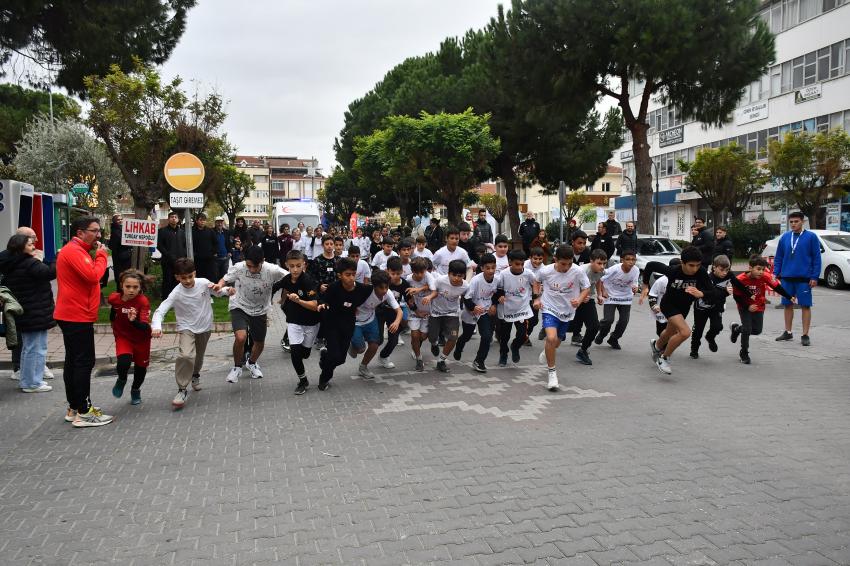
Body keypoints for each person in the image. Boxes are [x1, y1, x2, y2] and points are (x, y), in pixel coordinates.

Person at [55, 216, 112, 426]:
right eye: (94, 231)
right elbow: (93, 275)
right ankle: (84, 412)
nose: (99, 235)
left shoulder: (75, 250)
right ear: (80, 232)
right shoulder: (74, 251)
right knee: (83, 363)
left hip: (73, 314)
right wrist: (102, 256)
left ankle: (75, 407)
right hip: (76, 315)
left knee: (73, 362)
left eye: (99, 231)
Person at [154, 258, 230, 408]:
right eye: (183, 278)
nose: (188, 280)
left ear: (194, 273)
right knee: (186, 355)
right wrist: (156, 326)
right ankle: (182, 389)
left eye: (190, 276)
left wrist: (228, 291)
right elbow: (161, 310)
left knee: (198, 357)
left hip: (205, 326)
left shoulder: (202, 283)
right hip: (186, 328)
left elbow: (218, 292)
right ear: (177, 277)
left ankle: (195, 375)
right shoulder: (176, 293)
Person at [641, 246, 728, 375]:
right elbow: (650, 265)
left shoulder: (701, 272)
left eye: (698, 265)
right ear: (682, 263)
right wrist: (645, 285)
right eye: (691, 265)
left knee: (670, 331)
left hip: (684, 306)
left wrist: (701, 293)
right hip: (669, 304)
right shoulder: (672, 271)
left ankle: (657, 345)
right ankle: (664, 358)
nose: (694, 269)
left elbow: (713, 291)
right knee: (685, 332)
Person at [216, 245, 288, 384]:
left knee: (259, 343)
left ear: (263, 261)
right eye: (249, 266)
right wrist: (219, 285)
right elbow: (224, 279)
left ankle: (252, 363)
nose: (252, 270)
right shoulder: (239, 267)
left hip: (260, 309)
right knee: (241, 337)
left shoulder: (272, 269)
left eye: (256, 266)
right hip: (239, 305)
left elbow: (292, 276)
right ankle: (237, 367)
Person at [0, 233, 56, 393]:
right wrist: (56, 259)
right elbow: (50, 273)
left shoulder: (11, 262)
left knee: (29, 347)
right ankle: (33, 383)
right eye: (30, 244)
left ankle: (27, 380)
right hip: (34, 312)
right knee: (36, 348)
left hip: (25, 311)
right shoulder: (29, 263)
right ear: (20, 247)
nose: (34, 247)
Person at [535, 244, 591, 391]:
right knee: (551, 339)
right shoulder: (545, 271)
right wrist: (537, 298)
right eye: (563, 264)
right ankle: (552, 373)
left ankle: (547, 351)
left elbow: (586, 288)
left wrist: (579, 300)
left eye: (569, 263)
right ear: (555, 260)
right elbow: (536, 281)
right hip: (549, 308)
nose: (566, 267)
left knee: (556, 342)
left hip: (567, 311)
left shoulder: (578, 271)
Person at [316, 258, 374, 390]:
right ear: (340, 275)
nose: (351, 278)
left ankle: (325, 357)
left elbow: (376, 287)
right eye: (347, 275)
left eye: (354, 274)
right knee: (335, 355)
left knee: (341, 359)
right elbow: (323, 300)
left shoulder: (362, 289)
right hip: (332, 325)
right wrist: (322, 304)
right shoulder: (334, 287)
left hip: (348, 326)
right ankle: (324, 379)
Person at [731, 255, 795, 364]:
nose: (761, 272)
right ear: (750, 268)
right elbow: (736, 297)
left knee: (756, 330)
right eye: (758, 269)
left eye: (763, 269)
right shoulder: (740, 279)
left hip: (759, 306)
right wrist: (747, 306)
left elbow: (776, 287)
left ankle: (736, 329)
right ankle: (744, 352)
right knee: (747, 329)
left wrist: (789, 296)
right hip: (744, 306)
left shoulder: (765, 276)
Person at [274, 250, 320, 394]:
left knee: (305, 354)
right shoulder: (286, 279)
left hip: (311, 322)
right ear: (286, 265)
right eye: (291, 266)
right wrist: (276, 301)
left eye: (298, 266)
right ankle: (303, 380)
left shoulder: (309, 281)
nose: (295, 269)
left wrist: (298, 300)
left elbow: (314, 306)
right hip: (294, 321)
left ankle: (307, 356)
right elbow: (276, 287)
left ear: (304, 265)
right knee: (295, 352)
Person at [689, 254, 752, 359]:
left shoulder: (729, 275)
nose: (724, 273)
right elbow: (709, 296)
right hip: (702, 306)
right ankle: (694, 350)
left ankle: (710, 337)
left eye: (727, 270)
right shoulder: (707, 278)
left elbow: (738, 284)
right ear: (714, 267)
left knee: (718, 327)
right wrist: (725, 292)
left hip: (716, 306)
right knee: (698, 330)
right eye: (722, 270)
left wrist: (750, 294)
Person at [773, 211, 820, 346]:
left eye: (796, 221)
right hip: (786, 277)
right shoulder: (785, 237)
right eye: (791, 222)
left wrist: (814, 276)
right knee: (787, 305)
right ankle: (788, 332)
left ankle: (805, 334)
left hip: (804, 278)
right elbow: (779, 257)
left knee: (805, 305)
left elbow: (816, 258)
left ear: (802, 222)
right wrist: (775, 274)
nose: (793, 224)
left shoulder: (811, 237)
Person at [108, 269, 152, 405]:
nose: (131, 290)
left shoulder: (143, 301)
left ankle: (135, 390)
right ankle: (121, 380)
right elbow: (113, 312)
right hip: (123, 337)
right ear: (122, 285)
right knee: (124, 363)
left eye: (135, 287)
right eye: (128, 286)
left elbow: (145, 327)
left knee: (141, 368)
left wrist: (133, 320)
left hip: (141, 339)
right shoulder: (113, 298)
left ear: (140, 287)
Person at [347, 269, 402, 379]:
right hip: (355, 322)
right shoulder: (364, 290)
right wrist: (351, 308)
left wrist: (396, 322)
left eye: (387, 287)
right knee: (360, 349)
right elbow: (347, 296)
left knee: (374, 345)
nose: (385, 290)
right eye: (381, 287)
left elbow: (399, 311)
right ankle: (352, 344)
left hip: (370, 320)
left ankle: (363, 367)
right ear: (374, 286)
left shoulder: (388, 293)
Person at [455, 253, 499, 372]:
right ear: (482, 268)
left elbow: (498, 293)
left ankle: (479, 361)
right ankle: (459, 346)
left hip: (485, 312)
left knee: (486, 336)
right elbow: (466, 298)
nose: (491, 271)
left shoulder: (497, 279)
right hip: (471, 312)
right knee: (467, 335)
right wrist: (473, 307)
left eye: (493, 267)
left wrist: (494, 305)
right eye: (488, 268)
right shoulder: (475, 281)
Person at [494, 249, 537, 367]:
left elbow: (536, 284)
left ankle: (515, 346)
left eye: (522, 264)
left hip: (522, 309)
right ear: (510, 262)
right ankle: (503, 354)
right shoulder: (503, 274)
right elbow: (497, 289)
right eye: (517, 264)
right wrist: (500, 296)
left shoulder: (528, 274)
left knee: (523, 335)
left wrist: (536, 297)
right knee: (504, 336)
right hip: (506, 309)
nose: (520, 267)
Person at [428, 259, 469, 372]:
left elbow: (468, 299)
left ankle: (441, 360)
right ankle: (434, 343)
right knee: (432, 336)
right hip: (435, 313)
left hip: (452, 314)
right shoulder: (440, 281)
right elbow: (432, 291)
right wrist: (428, 298)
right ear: (448, 273)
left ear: (464, 275)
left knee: (453, 338)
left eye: (459, 276)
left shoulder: (465, 286)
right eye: (453, 275)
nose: (456, 278)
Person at [594, 250, 639, 350]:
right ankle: (601, 334)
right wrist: (603, 291)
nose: (631, 262)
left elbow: (634, 282)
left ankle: (613, 338)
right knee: (608, 320)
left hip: (625, 298)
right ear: (622, 260)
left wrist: (635, 287)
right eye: (628, 259)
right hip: (611, 296)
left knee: (624, 321)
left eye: (633, 260)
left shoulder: (636, 270)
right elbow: (600, 279)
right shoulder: (614, 269)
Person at [375, 257, 411, 369]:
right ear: (387, 271)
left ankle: (384, 356)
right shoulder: (383, 282)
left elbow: (409, 300)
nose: (395, 276)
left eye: (398, 273)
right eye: (393, 273)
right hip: (380, 311)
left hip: (394, 313)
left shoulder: (404, 284)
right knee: (378, 339)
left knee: (394, 340)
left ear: (402, 271)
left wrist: (416, 310)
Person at [574, 249, 607, 366]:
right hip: (573, 300)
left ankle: (582, 351)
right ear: (591, 261)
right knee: (569, 326)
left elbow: (598, 281)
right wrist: (580, 296)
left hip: (588, 300)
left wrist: (599, 295)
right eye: (599, 263)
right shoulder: (581, 271)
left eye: (604, 263)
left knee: (594, 326)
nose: (602, 266)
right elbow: (570, 285)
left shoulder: (602, 271)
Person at [405, 257, 437, 371]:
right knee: (414, 335)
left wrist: (422, 291)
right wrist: (414, 309)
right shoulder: (408, 280)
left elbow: (435, 291)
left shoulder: (429, 276)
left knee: (422, 336)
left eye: (422, 272)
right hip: (414, 311)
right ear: (412, 271)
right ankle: (419, 359)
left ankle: (415, 346)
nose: (420, 275)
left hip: (427, 312)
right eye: (416, 272)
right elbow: (407, 296)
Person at [643, 258, 682, 337]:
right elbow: (652, 294)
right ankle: (660, 345)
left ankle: (665, 346)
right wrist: (654, 305)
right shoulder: (661, 281)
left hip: (674, 310)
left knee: (673, 330)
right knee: (660, 332)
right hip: (661, 310)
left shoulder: (681, 280)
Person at [157, 211, 185, 299]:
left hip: (180, 261)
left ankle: (177, 298)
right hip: (167, 261)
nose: (173, 219)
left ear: (178, 219)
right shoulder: (162, 231)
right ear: (168, 219)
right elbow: (159, 245)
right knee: (167, 280)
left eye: (175, 217)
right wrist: (168, 255)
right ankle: (166, 299)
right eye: (172, 217)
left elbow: (185, 245)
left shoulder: (181, 232)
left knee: (178, 280)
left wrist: (183, 256)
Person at [523, 248, 545, 345]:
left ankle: (526, 334)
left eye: (540, 259)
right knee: (523, 318)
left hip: (535, 295)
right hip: (523, 294)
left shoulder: (544, 269)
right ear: (530, 258)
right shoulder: (524, 265)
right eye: (535, 259)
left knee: (534, 320)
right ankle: (524, 337)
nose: (538, 261)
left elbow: (544, 284)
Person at [191, 213, 217, 281]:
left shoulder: (210, 231)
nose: (202, 222)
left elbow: (216, 243)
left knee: (210, 278)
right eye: (200, 220)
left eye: (204, 220)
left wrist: (213, 252)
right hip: (197, 260)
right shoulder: (191, 231)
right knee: (199, 278)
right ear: (196, 221)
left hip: (209, 259)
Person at [108, 214, 131, 279]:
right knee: (122, 274)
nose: (120, 221)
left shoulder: (120, 229)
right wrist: (131, 245)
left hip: (122, 254)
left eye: (121, 219)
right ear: (114, 221)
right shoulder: (116, 231)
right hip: (121, 255)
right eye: (118, 219)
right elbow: (122, 242)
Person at [213, 217, 231, 282]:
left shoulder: (226, 232)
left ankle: (223, 290)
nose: (219, 224)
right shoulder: (212, 232)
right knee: (216, 275)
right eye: (218, 222)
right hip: (216, 259)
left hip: (225, 258)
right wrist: (213, 253)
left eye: (221, 222)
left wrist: (229, 252)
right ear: (215, 223)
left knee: (224, 276)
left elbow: (228, 243)